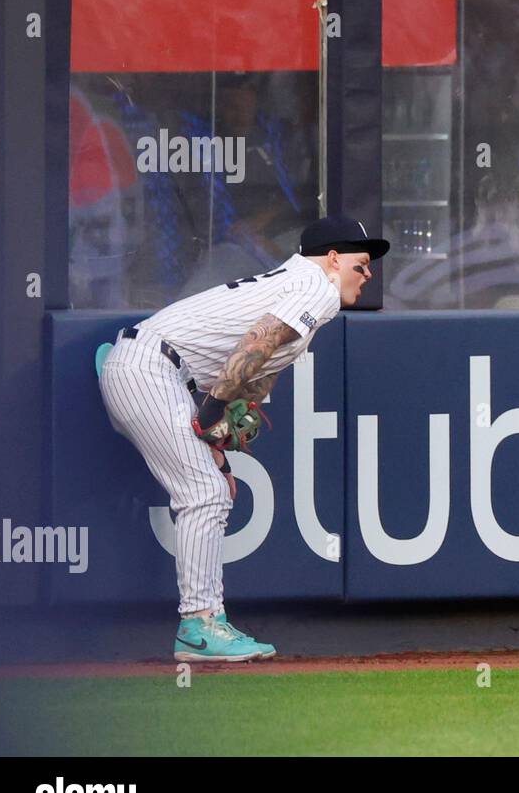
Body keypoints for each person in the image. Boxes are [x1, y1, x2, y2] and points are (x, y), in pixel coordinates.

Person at [98, 215, 388, 661]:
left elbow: (261, 367)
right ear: (333, 258)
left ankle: (206, 621)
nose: (368, 275)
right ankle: (199, 625)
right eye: (362, 264)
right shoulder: (318, 287)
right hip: (151, 371)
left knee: (215, 484)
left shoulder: (296, 283)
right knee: (206, 494)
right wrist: (213, 409)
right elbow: (258, 339)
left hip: (159, 372)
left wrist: (217, 444)